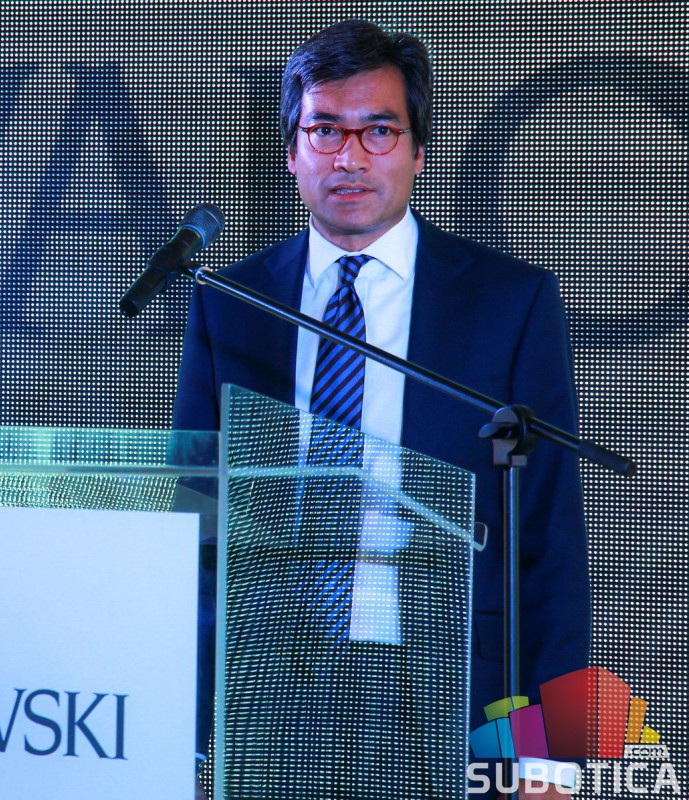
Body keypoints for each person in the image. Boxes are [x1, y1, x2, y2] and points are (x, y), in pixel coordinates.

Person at [174, 18, 590, 792]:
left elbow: (547, 538)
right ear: (292, 151)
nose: (349, 157)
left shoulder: (507, 303)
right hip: (272, 679)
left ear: (417, 151)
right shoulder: (231, 302)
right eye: (325, 131)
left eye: (378, 131)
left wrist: (548, 755)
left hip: (450, 678)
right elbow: (196, 524)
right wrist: (184, 715)